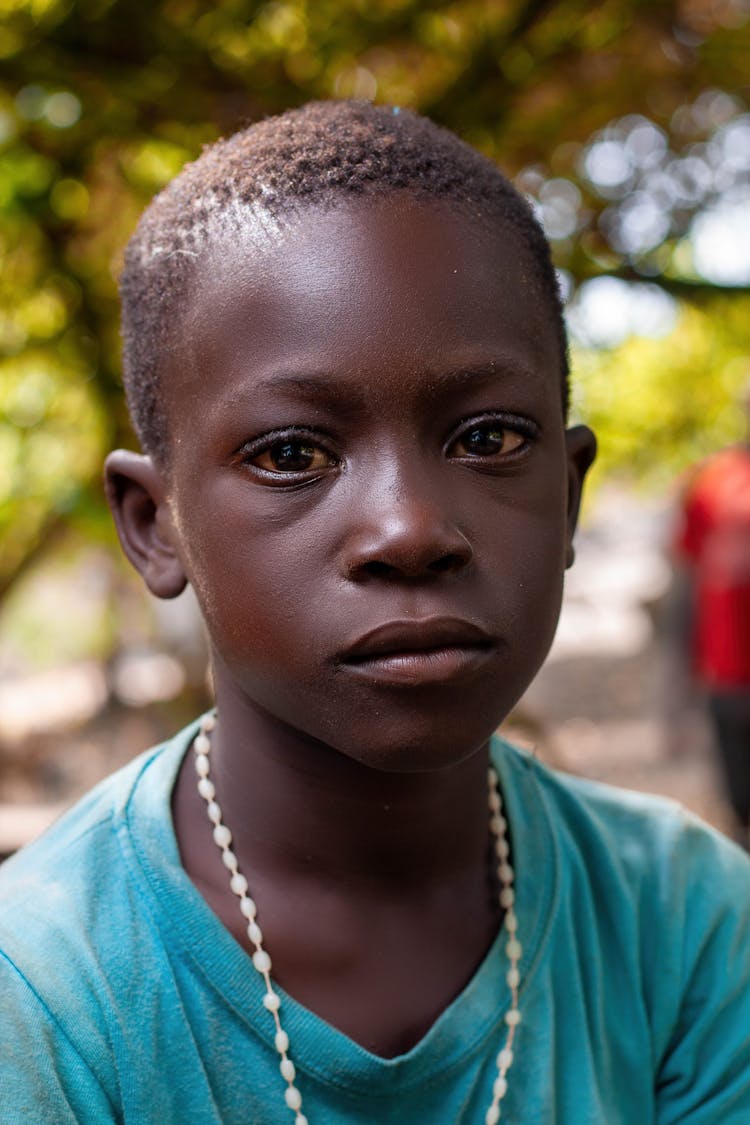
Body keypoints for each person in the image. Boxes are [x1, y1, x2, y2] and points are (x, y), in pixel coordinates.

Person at [1, 101, 749, 1124]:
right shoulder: (43, 994)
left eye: (487, 438)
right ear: (155, 525)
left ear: (569, 498)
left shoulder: (686, 924)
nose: (408, 528)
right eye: (292, 455)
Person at [671, 396, 750, 844]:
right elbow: (688, 578)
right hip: (729, 667)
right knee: (738, 790)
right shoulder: (715, 480)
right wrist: (685, 669)